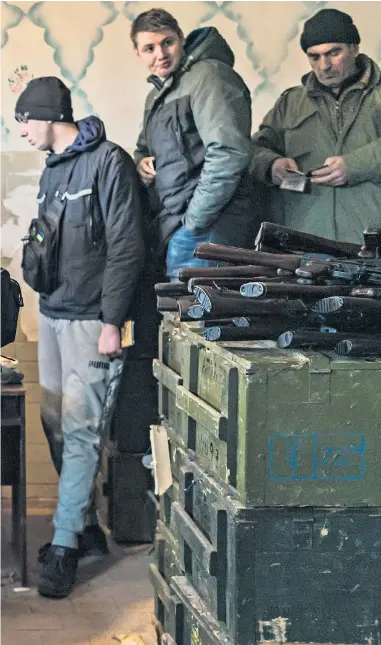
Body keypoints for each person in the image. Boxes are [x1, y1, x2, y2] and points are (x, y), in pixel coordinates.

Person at [15, 76, 145, 598]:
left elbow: (127, 247)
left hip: (94, 320)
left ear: (48, 116)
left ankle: (65, 545)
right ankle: (87, 526)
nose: (21, 130)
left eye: (25, 120)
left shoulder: (108, 162)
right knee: (55, 424)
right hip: (52, 314)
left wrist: (113, 322)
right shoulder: (51, 171)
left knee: (82, 428)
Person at [131, 8, 255, 279]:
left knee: (197, 319)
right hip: (177, 225)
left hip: (209, 227)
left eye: (167, 42)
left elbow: (229, 152)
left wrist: (194, 222)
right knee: (179, 318)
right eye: (149, 48)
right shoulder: (157, 96)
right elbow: (144, 148)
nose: (160, 54)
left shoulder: (208, 76)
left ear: (181, 39)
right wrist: (141, 163)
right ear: (137, 54)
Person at [251, 8, 381, 244]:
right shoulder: (290, 102)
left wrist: (356, 166)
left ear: (354, 48)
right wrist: (272, 165)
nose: (324, 65)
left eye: (334, 52)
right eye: (314, 56)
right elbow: (253, 150)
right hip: (306, 245)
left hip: (372, 245)